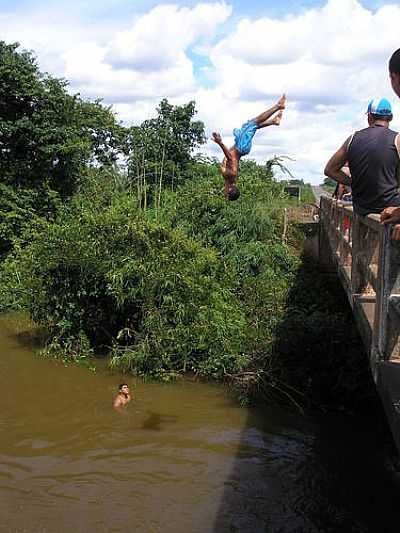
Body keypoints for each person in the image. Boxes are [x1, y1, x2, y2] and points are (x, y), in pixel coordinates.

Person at [324, 97, 400, 216]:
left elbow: (330, 170)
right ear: (391, 117)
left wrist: (353, 182)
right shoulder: (397, 139)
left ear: (369, 117)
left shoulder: (353, 138)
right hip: (390, 208)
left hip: (361, 209)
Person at [212, 95, 286, 200]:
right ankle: (278, 106)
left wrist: (229, 147)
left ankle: (273, 121)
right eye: (225, 194)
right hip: (241, 147)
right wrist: (220, 143)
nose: (223, 192)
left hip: (239, 147)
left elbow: (230, 156)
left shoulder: (229, 179)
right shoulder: (230, 176)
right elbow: (230, 158)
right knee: (253, 123)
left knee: (248, 126)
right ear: (229, 190)